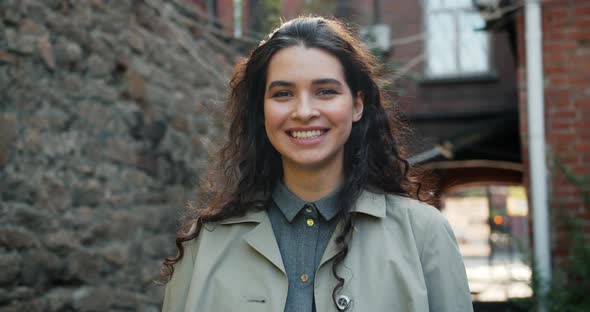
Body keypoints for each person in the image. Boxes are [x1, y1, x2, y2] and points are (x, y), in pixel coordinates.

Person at [161, 16, 473, 312]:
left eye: (325, 91)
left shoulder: (423, 235)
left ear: (357, 105)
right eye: (283, 93)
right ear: (262, 111)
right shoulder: (206, 243)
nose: (304, 111)